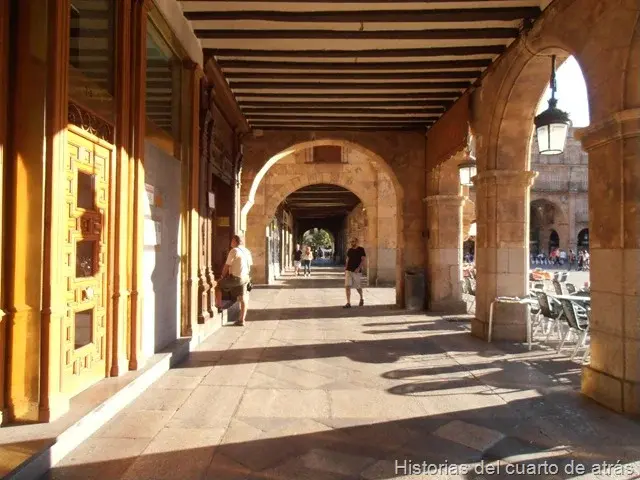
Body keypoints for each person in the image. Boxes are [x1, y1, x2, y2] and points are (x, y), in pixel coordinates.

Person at [214, 234, 253, 326]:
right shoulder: (247, 251)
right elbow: (250, 265)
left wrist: (222, 277)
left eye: (232, 240)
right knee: (243, 298)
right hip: (245, 277)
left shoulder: (234, 250)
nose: (230, 242)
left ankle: (219, 306)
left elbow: (227, 265)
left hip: (236, 278)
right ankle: (241, 320)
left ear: (235, 241)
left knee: (218, 285)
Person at [344, 238, 366, 308]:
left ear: (357, 242)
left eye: (353, 241)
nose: (351, 243)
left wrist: (358, 268)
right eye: (351, 242)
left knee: (358, 287)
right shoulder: (350, 250)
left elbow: (363, 260)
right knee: (347, 286)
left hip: (356, 271)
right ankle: (348, 303)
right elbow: (347, 260)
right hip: (349, 270)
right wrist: (346, 269)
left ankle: (361, 298)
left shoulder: (361, 249)